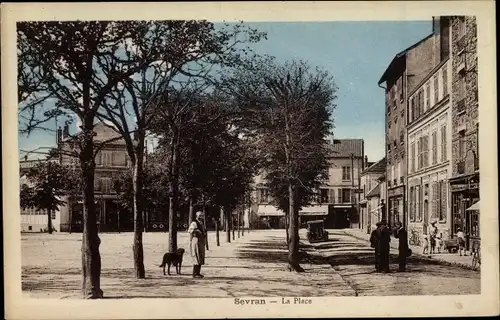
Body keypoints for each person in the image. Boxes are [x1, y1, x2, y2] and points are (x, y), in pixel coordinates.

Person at [188, 211, 206, 278]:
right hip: (196, 240)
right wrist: (196, 230)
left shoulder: (201, 223)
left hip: (201, 241)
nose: (201, 217)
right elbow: (189, 230)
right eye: (200, 215)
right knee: (196, 256)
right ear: (197, 216)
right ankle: (194, 273)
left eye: (202, 216)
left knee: (201, 256)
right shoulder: (194, 223)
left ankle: (198, 272)